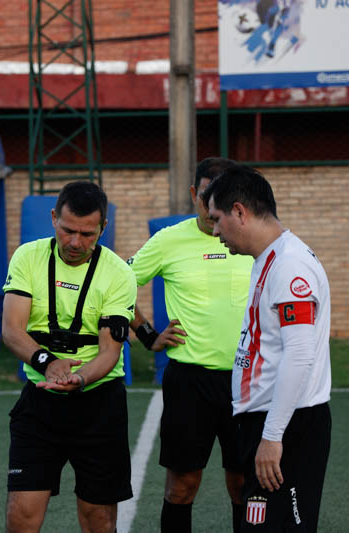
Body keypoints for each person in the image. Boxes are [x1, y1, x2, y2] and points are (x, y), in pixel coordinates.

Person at [2, 180, 137, 533]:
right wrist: (48, 363)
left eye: (88, 234)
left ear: (103, 228)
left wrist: (79, 378)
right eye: (68, 230)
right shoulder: (27, 256)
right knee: (21, 515)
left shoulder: (120, 273)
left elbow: (110, 351)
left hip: (99, 404)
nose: (76, 242)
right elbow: (11, 330)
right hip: (40, 402)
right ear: (52, 219)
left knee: (98, 519)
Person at [127, 157, 253, 533]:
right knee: (182, 487)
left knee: (243, 486)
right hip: (189, 383)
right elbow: (116, 285)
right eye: (204, 196)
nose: (210, 209)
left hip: (247, 382)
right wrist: (148, 335)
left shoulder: (252, 240)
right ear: (193, 194)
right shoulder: (169, 239)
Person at [203, 166, 331, 532]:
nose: (214, 231)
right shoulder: (268, 258)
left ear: (240, 212)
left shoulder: (290, 265)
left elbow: (301, 354)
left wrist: (272, 436)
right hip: (265, 420)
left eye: (217, 219)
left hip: (286, 425)